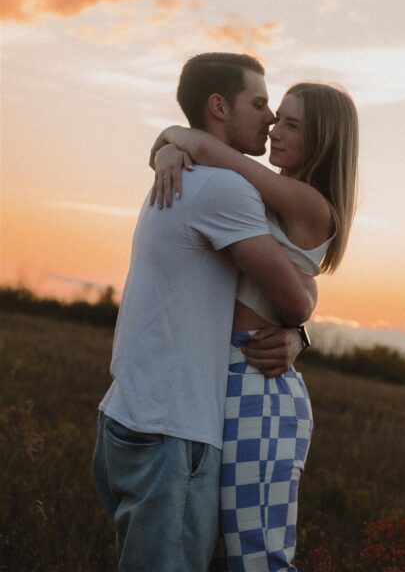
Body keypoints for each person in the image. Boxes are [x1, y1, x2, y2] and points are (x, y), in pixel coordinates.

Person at [93, 54, 316, 572]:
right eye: (259, 104)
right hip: (173, 434)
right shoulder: (226, 189)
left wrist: (172, 143)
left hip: (127, 416)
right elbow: (293, 300)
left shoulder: (187, 174)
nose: (268, 118)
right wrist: (299, 326)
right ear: (218, 107)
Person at [150, 81, 359, 572]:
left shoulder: (308, 202)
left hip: (257, 386)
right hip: (225, 379)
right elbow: (190, 144)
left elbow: (201, 144)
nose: (274, 129)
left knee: (257, 559)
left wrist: (172, 146)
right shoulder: (267, 192)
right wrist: (165, 152)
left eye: (291, 124)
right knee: (218, 553)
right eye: (276, 116)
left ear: (322, 140)